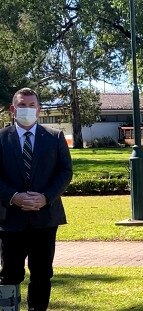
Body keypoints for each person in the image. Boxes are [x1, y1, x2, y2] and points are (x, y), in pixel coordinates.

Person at [0, 87, 73, 311]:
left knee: (41, 273)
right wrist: (14, 197)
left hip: (45, 218)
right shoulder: (1, 139)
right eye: (22, 105)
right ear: (13, 109)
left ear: (39, 110)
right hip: (10, 219)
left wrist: (45, 197)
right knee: (10, 274)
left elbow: (65, 171)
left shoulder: (54, 137)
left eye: (32, 106)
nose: (27, 109)